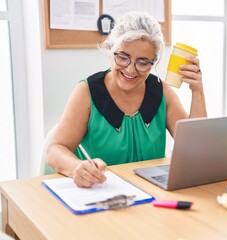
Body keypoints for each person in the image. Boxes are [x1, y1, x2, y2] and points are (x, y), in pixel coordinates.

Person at [46, 12, 207, 187]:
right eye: (123, 57)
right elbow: (55, 150)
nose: (130, 70)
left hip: (152, 197)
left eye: (143, 62)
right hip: (102, 195)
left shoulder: (162, 91)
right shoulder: (87, 92)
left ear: (154, 62)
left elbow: (198, 150)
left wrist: (197, 90)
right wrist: (76, 167)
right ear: (110, 51)